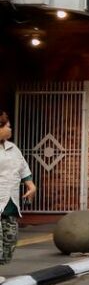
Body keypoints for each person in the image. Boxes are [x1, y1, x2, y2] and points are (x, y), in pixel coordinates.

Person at [0, 111, 35, 265]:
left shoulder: (12, 148)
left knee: (10, 240)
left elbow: (22, 168)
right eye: (8, 126)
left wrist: (31, 185)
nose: (10, 129)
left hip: (10, 203)